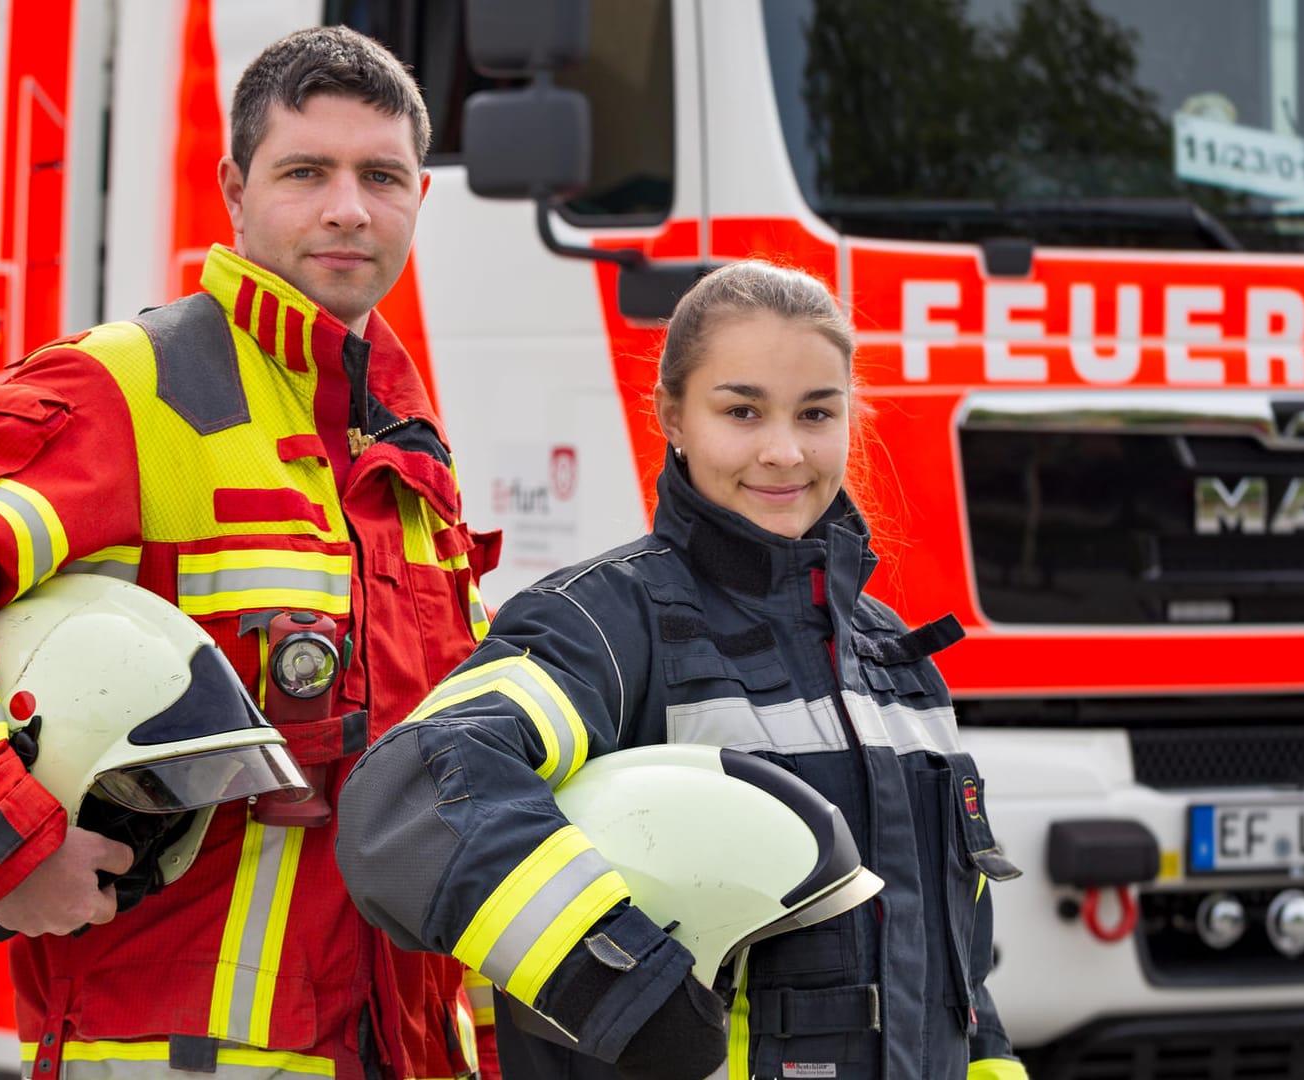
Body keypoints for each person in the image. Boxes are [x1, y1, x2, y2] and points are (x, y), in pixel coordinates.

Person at [0, 25, 502, 1080]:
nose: (348, 208)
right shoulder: (137, 388)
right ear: (234, 186)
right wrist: (7, 847)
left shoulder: (399, 441)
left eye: (380, 175)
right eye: (305, 171)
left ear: (417, 199)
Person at [334, 260, 1029, 1080]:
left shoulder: (900, 665)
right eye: (742, 411)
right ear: (672, 415)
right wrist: (619, 986)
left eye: (816, 413)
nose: (784, 451)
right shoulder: (605, 625)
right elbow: (412, 794)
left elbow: (963, 992)